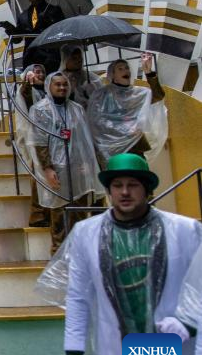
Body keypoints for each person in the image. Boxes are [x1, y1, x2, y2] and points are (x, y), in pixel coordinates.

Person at [37, 153, 202, 355]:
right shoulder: (87, 233)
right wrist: (74, 352)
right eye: (117, 185)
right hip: (118, 349)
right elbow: (78, 296)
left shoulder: (184, 230)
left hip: (168, 346)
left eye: (133, 185)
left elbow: (199, 288)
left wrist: (187, 324)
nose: (125, 192)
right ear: (109, 190)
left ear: (147, 189)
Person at [30, 72, 102, 254]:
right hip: (57, 169)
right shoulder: (41, 110)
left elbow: (84, 139)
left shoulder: (76, 109)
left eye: (65, 84)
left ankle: (79, 253)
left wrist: (87, 163)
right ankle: (59, 254)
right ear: (49, 86)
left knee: (79, 211)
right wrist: (47, 168)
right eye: (58, 85)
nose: (62, 88)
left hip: (77, 168)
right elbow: (39, 142)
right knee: (59, 214)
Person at [88, 52, 168, 168]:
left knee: (140, 178)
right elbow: (96, 120)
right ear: (112, 75)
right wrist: (123, 129)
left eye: (126, 68)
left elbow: (158, 95)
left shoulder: (138, 93)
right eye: (120, 69)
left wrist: (148, 72)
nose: (125, 71)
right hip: (111, 149)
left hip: (135, 146)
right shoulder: (102, 95)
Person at [0, 0, 66, 71]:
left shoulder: (54, 10)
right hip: (30, 58)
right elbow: (18, 39)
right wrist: (10, 28)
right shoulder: (23, 16)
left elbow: (62, 31)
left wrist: (49, 19)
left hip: (50, 57)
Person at [14, 63, 49, 227]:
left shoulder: (47, 91)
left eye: (42, 71)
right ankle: (37, 214)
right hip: (34, 138)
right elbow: (25, 94)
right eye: (36, 72)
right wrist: (27, 82)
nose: (40, 74)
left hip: (48, 137)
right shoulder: (28, 90)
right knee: (39, 174)